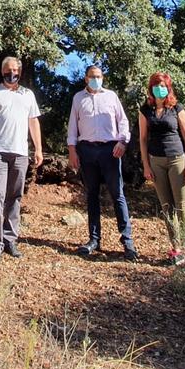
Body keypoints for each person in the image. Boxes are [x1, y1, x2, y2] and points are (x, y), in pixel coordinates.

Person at [66, 64, 137, 261]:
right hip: (87, 150)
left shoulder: (111, 96)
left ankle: (127, 241)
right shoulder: (78, 98)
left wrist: (123, 141)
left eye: (99, 76)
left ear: (102, 77)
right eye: (92, 76)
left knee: (118, 194)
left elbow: (123, 121)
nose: (96, 79)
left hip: (110, 150)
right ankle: (94, 240)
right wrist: (72, 150)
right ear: (85, 79)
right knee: (92, 195)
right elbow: (73, 125)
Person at [0, 56, 43, 261]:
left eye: (14, 70)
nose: (11, 73)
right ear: (2, 71)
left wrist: (38, 149)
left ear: (20, 72)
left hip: (21, 152)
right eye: (7, 69)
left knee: (15, 197)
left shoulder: (27, 95)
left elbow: (33, 122)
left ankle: (10, 240)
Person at [138, 72, 185, 266]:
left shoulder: (177, 108)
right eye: (156, 85)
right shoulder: (145, 110)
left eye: (163, 85)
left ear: (168, 88)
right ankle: (176, 250)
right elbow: (143, 139)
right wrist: (146, 165)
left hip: (177, 160)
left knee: (183, 208)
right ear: (151, 88)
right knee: (167, 208)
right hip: (156, 162)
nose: (159, 88)